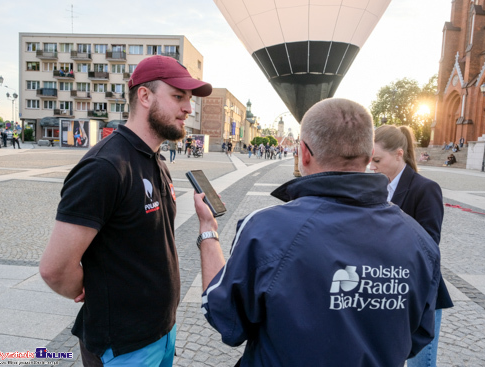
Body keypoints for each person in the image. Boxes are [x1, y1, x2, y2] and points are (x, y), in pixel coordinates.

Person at [193, 98, 441, 366]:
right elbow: (418, 335)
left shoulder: (265, 230)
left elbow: (226, 318)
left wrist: (208, 230)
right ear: (369, 155)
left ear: (304, 153)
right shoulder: (419, 241)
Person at [39, 54, 212, 367]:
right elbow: (55, 269)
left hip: (161, 332)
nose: (188, 108)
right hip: (123, 347)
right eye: (178, 97)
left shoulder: (155, 160)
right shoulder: (105, 167)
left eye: (189, 99)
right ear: (144, 95)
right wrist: (91, 288)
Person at [370, 125, 454, 367]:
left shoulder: (425, 188)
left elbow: (429, 246)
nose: (371, 166)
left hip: (419, 292)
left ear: (399, 154)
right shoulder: (375, 187)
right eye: (369, 160)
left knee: (421, 364)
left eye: (377, 159)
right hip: (383, 289)